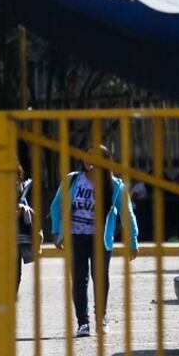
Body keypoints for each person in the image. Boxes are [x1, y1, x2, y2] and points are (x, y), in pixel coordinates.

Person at [49, 144, 139, 338]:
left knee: (100, 278)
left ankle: (101, 318)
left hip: (100, 240)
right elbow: (56, 206)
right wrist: (56, 231)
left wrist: (133, 241)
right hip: (75, 237)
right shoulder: (72, 180)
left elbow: (127, 214)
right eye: (88, 155)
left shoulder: (114, 186)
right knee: (79, 280)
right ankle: (83, 322)